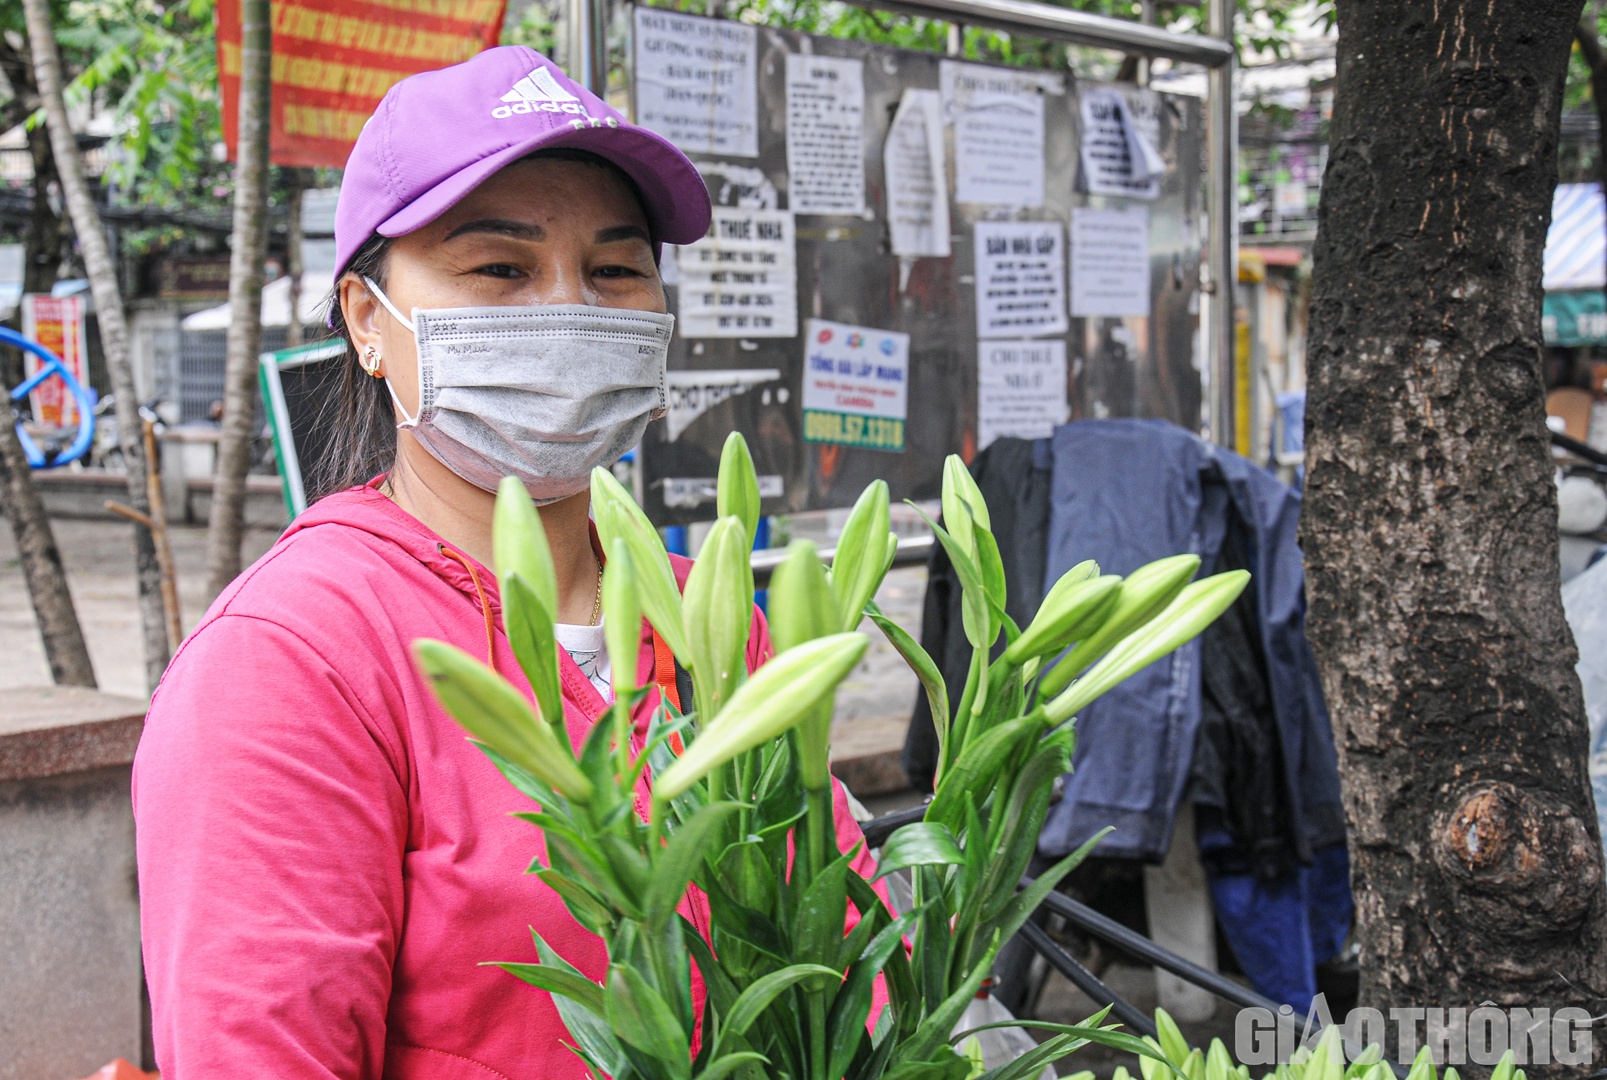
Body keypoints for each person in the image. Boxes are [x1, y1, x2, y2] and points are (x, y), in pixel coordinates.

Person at [133, 47, 879, 1079]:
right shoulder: (291, 663)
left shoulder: (710, 621)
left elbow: (857, 962)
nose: (567, 307)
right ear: (366, 321)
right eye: (499, 268)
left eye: (615, 269)